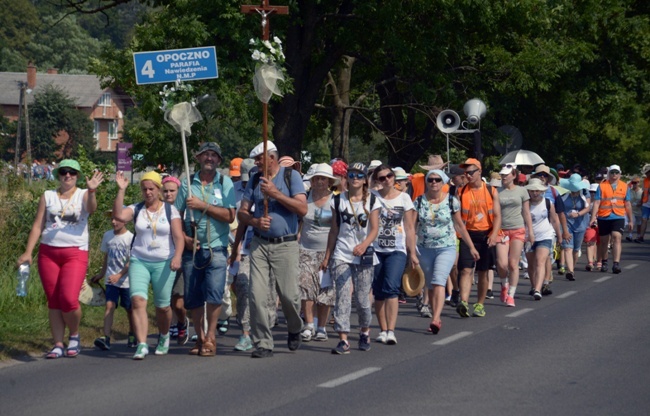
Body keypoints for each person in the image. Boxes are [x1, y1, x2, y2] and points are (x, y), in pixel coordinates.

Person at [17, 159, 104, 359]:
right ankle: (57, 343)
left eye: (72, 173)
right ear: (58, 175)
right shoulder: (48, 196)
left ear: (78, 176)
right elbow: (38, 225)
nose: (68, 176)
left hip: (75, 252)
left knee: (68, 298)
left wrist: (92, 191)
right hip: (49, 253)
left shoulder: (83, 194)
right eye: (64, 172)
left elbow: (91, 209)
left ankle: (74, 335)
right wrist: (28, 252)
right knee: (54, 301)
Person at [237, 140, 308, 358]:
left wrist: (276, 194)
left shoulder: (290, 176)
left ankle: (295, 326)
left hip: (285, 244)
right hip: (259, 243)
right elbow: (241, 213)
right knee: (256, 295)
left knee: (288, 295)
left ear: (272, 157)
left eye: (260, 158)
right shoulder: (255, 179)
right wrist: (255, 222)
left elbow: (302, 208)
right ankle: (263, 343)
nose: (256, 163)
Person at [113, 170, 184, 360]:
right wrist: (121, 190)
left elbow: (178, 237)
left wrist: (177, 256)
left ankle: (164, 335)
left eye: (151, 188)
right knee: (137, 300)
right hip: (139, 260)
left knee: (162, 306)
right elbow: (119, 216)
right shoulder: (137, 209)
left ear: (159, 189)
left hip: (164, 262)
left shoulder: (170, 211)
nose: (148, 192)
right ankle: (142, 343)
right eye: (144, 189)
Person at [175, 142, 236, 357]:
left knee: (214, 293)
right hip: (192, 250)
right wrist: (184, 238)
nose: (209, 158)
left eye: (214, 155)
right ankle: (199, 336)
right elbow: (175, 216)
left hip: (217, 247)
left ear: (219, 161)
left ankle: (211, 337)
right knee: (193, 296)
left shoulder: (225, 183)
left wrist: (204, 206)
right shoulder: (187, 184)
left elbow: (230, 216)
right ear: (198, 158)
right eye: (205, 155)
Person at [321, 162, 380, 354]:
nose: (355, 178)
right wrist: (328, 255)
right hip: (342, 253)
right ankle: (343, 338)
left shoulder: (372, 201)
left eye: (359, 175)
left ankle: (364, 331)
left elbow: (375, 229)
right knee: (343, 296)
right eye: (351, 175)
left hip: (364, 254)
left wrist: (364, 245)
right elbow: (334, 230)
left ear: (365, 180)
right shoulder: (338, 201)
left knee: (363, 299)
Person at [414, 169, 478, 333]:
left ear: (443, 183)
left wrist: (471, 247)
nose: (433, 183)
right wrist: (411, 250)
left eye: (437, 180)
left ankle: (436, 319)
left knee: (438, 281)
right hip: (424, 248)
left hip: (446, 247)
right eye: (430, 180)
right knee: (430, 284)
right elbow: (412, 227)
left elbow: (459, 226)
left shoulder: (451, 201)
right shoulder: (419, 201)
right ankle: (435, 313)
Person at [371, 164, 418, 344]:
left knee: (391, 286)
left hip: (397, 249)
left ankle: (391, 330)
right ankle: (382, 330)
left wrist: (412, 252)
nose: (387, 180)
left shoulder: (404, 198)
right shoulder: (372, 198)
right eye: (381, 178)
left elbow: (409, 227)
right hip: (375, 248)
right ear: (377, 181)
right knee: (378, 291)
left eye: (389, 176)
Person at [456, 158, 501, 318]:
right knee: (466, 270)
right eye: (465, 173)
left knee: (483, 272)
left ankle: (480, 304)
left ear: (479, 172)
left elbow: (497, 215)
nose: (467, 176)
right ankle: (464, 302)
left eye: (470, 172)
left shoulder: (491, 190)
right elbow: (458, 217)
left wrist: (494, 234)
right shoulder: (461, 191)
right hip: (467, 235)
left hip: (486, 235)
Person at [298, 164, 337, 342]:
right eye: (316, 178)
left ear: (329, 181)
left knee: (325, 292)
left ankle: (321, 327)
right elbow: (299, 222)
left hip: (328, 251)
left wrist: (329, 256)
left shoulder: (336, 200)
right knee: (306, 287)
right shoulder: (305, 198)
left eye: (323, 178)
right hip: (305, 250)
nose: (319, 182)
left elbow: (337, 229)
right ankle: (309, 325)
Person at [91, 211, 136, 350]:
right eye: (112, 219)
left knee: (130, 309)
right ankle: (106, 338)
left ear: (125, 220)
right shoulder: (107, 235)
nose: (113, 222)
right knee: (109, 305)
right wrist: (102, 274)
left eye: (117, 219)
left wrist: (120, 275)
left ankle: (132, 333)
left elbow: (131, 261)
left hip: (127, 280)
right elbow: (107, 257)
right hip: (111, 279)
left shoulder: (131, 238)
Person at [496, 164, 534, 307]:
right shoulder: (496, 191)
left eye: (506, 174)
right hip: (501, 230)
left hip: (518, 229)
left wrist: (530, 232)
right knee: (501, 263)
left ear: (513, 175)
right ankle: (503, 284)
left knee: (513, 264)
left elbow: (526, 212)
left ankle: (511, 295)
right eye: (502, 174)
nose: (504, 177)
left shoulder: (522, 191)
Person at [161, 176, 190, 345]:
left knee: (178, 302)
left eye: (172, 191)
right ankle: (167, 327)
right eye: (165, 191)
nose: (168, 194)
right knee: (164, 300)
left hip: (179, 259)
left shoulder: (184, 212)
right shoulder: (157, 210)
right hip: (161, 259)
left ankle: (181, 322)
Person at [590, 165, 633, 274]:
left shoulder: (624, 186)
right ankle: (604, 262)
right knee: (604, 241)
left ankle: (616, 263)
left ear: (620, 174)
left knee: (616, 237)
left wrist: (630, 220)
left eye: (616, 172)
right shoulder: (602, 186)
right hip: (604, 216)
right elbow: (597, 202)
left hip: (618, 216)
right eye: (612, 172)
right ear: (609, 174)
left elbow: (627, 204)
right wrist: (593, 217)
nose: (614, 175)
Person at [525, 178, 561, 300]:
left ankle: (537, 289)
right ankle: (533, 285)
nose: (535, 193)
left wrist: (559, 235)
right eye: (532, 190)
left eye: (537, 190)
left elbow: (555, 220)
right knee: (531, 264)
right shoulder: (525, 204)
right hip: (528, 237)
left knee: (540, 261)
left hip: (545, 235)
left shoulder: (547, 203)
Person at [559, 174, 591, 280]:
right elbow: (560, 209)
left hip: (580, 224)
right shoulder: (564, 194)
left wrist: (578, 214)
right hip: (567, 223)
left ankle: (572, 266)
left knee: (576, 249)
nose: (574, 191)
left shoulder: (585, 193)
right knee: (567, 248)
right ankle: (570, 271)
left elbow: (587, 208)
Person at [634, 164, 650, 243]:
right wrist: (641, 201)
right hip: (646, 203)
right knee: (644, 219)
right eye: (646, 173)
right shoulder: (645, 180)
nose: (646, 174)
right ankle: (641, 237)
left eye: (647, 173)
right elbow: (644, 191)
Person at [627, 176, 642, 241]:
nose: (634, 184)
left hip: (640, 210)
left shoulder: (642, 191)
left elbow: (644, 200)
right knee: (631, 222)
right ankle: (630, 235)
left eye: (635, 183)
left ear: (638, 183)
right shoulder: (629, 191)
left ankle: (638, 235)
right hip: (631, 210)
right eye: (633, 182)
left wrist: (640, 203)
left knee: (639, 223)